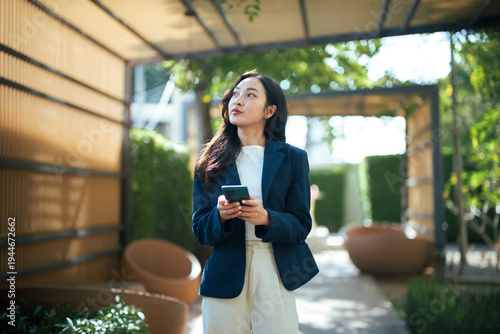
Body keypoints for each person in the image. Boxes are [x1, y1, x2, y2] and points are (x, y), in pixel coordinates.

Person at [192, 71, 319, 334]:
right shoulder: (209, 163)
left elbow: (301, 226)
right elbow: (201, 230)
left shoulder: (293, 158)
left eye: (250, 95)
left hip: (274, 268)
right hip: (225, 270)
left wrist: (267, 218)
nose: (237, 101)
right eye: (235, 94)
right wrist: (222, 216)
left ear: (269, 110)